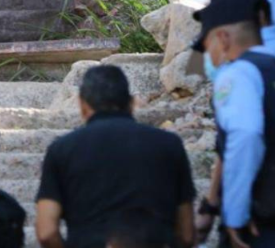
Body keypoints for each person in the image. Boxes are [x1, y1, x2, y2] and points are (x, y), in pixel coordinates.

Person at [35, 65, 196, 248]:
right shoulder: (169, 144)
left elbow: (46, 232)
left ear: (82, 105)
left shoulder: (61, 150)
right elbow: (187, 234)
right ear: (131, 103)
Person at [193, 0, 275, 242]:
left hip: (270, 221)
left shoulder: (239, 74)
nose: (208, 55)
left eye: (207, 45)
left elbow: (245, 136)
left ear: (223, 38)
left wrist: (235, 216)